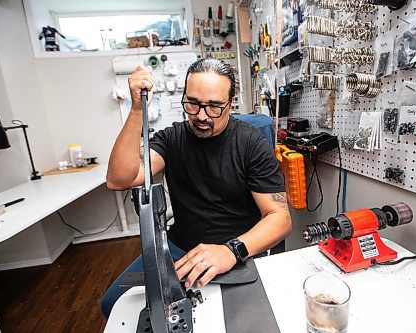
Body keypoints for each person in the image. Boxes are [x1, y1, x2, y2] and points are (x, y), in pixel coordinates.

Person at [101, 58, 292, 318]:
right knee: (114, 304)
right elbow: (119, 179)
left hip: (238, 251)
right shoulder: (171, 138)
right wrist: (137, 109)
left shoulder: (251, 144)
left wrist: (231, 250)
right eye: (192, 104)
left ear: (231, 102)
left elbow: (280, 218)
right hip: (180, 248)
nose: (201, 116)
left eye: (214, 106)